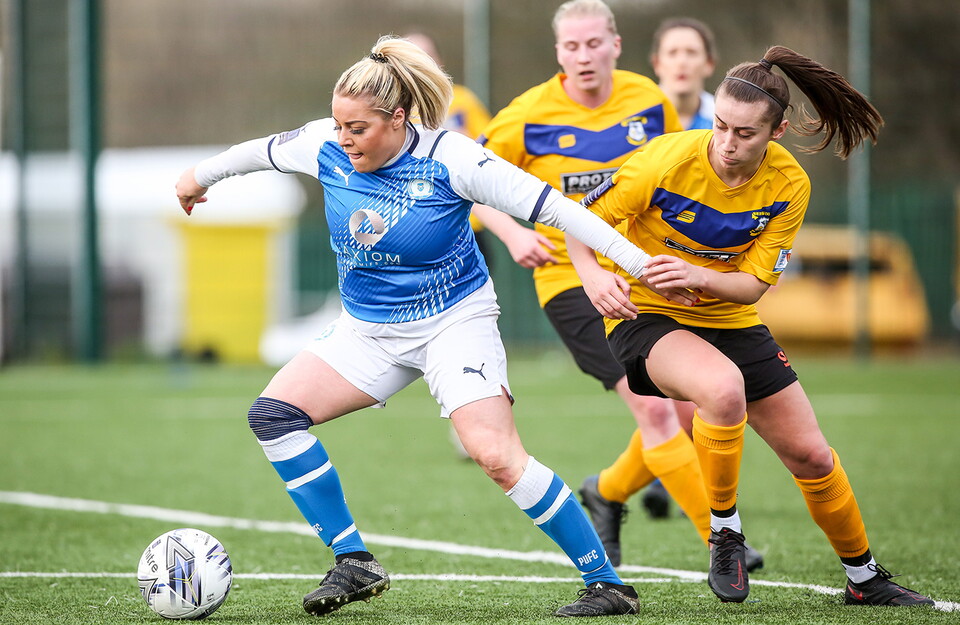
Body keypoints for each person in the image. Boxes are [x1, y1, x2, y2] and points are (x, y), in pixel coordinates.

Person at [175, 36, 658, 617]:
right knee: (274, 415)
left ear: (398, 119)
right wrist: (197, 178)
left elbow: (555, 207)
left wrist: (637, 265)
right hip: (368, 330)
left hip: (455, 321)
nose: (343, 138)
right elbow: (256, 152)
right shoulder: (324, 144)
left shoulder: (453, 158)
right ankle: (353, 561)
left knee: (495, 454)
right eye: (338, 125)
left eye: (358, 128)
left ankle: (606, 584)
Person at [566, 45, 933, 607]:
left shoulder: (789, 185)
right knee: (721, 389)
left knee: (812, 456)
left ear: (777, 131)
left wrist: (699, 275)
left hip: (732, 317)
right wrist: (592, 278)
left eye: (745, 133)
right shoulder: (664, 161)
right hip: (646, 315)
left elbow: (754, 287)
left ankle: (864, 579)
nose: (727, 144)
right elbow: (578, 222)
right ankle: (725, 531)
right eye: (720, 126)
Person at [472, 0, 762, 572]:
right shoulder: (524, 116)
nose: (583, 56)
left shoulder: (647, 100)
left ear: (616, 45)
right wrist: (509, 235)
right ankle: (722, 543)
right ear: (558, 52)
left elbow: (684, 171)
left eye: (592, 44)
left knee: (681, 412)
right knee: (655, 414)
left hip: (643, 271)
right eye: (570, 47)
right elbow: (473, 184)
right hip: (569, 280)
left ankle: (606, 491)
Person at [635, 16, 719, 520]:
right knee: (680, 394)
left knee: (701, 391)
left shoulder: (730, 122)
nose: (683, 62)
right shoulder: (637, 117)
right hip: (647, 271)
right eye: (673, 52)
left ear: (708, 64)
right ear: (656, 63)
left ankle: (613, 487)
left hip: (711, 273)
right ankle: (704, 504)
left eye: (693, 52)